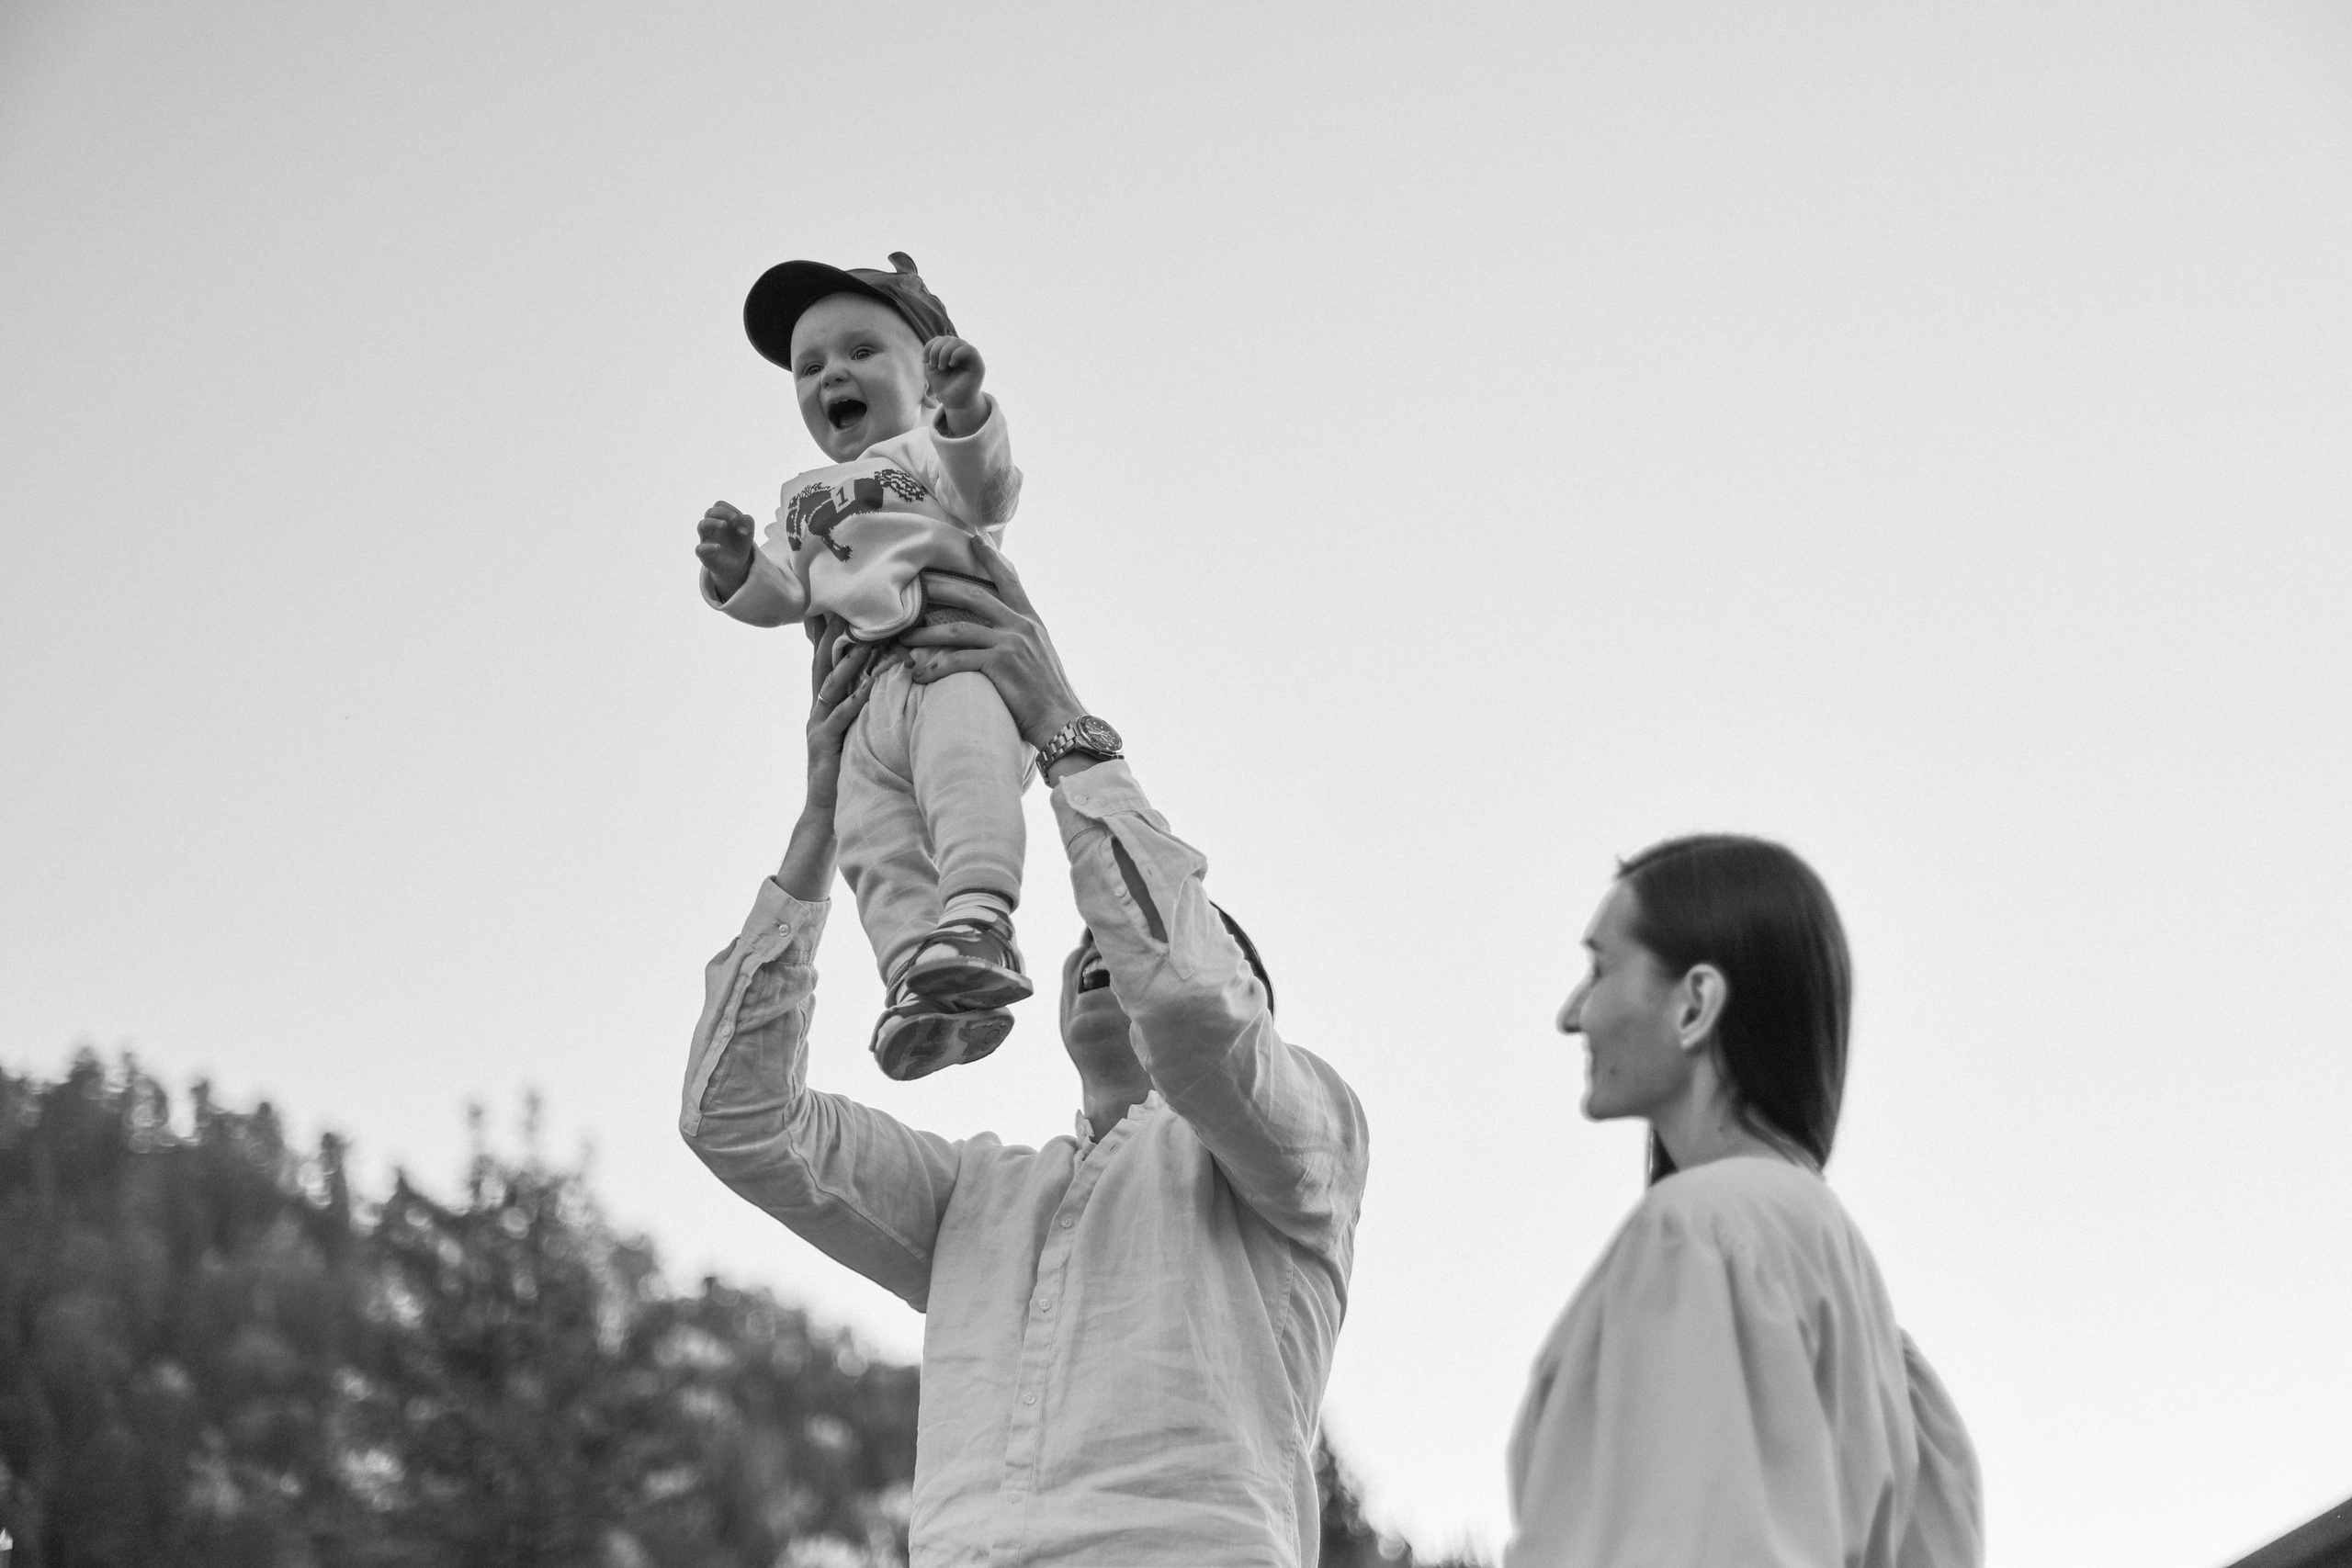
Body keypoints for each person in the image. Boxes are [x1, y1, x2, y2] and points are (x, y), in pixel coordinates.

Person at [679, 536, 1371, 1567]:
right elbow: (737, 1122)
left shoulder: (1305, 1140)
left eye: (1125, 934)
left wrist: (1061, 731)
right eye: (1084, 937)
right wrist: (822, 826)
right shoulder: (978, 1198)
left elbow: (1186, 999)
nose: (1098, 943)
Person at [1506, 836, 1982, 1568]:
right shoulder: (1868, 1318)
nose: (1574, 1013)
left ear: (1695, 1001)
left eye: (1601, 967)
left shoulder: (1695, 1235)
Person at [695, 252, 1034, 1081]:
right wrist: (737, 569)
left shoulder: (925, 453)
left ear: (925, 376)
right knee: (871, 840)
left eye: (860, 352)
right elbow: (784, 590)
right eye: (809, 367)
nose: (829, 376)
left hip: (951, 662)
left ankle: (980, 914)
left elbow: (985, 493)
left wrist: (965, 411)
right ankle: (922, 976)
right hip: (859, 699)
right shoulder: (804, 496)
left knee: (964, 780)